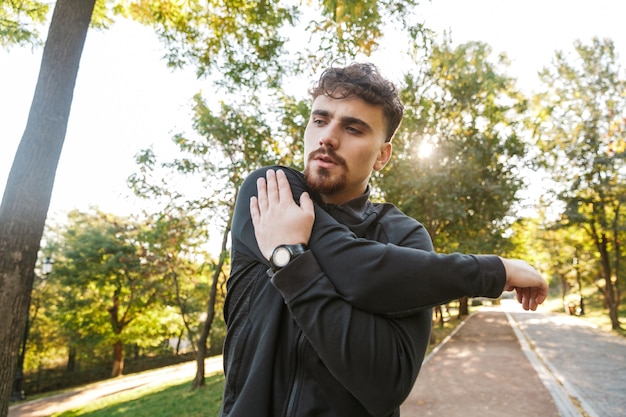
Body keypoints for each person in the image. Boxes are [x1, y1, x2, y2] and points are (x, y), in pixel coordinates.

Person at [219, 62, 547, 417]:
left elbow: (386, 386)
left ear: (383, 156)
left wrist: (290, 261)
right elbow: (360, 269)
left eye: (354, 128)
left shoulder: (404, 236)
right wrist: (495, 270)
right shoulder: (270, 191)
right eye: (319, 120)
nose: (327, 137)